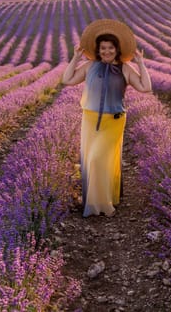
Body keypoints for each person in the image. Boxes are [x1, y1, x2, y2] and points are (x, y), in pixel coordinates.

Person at [62, 19, 152, 217]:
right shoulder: (89, 66)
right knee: (91, 160)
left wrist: (141, 64)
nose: (107, 52)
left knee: (98, 159)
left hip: (114, 121)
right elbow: (67, 80)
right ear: (98, 49)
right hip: (90, 120)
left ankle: (102, 204)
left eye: (110, 48)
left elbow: (146, 87)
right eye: (103, 48)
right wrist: (75, 58)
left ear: (116, 49)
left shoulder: (125, 68)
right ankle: (96, 200)